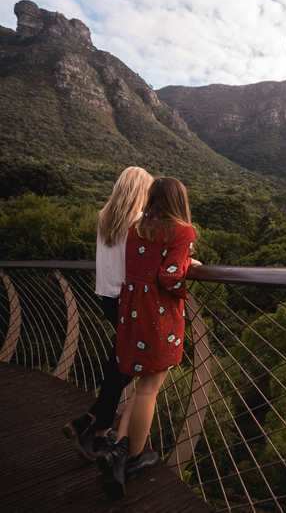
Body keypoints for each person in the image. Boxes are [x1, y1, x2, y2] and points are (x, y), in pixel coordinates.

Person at [97, 177, 198, 499]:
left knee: (140, 383)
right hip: (158, 314)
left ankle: (118, 447)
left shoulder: (136, 228)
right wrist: (186, 264)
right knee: (150, 388)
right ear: (179, 201)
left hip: (131, 310)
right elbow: (169, 277)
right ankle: (134, 458)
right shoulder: (183, 231)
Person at [62, 166, 153, 460]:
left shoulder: (105, 217)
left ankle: (92, 423)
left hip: (107, 297)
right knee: (126, 365)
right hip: (129, 301)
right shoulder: (139, 222)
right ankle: (97, 429)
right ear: (142, 191)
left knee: (120, 360)